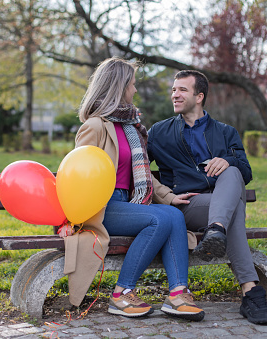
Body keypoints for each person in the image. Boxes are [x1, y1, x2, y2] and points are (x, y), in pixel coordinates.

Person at [72, 57, 204, 321]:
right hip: (102, 207)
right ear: (119, 88)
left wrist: (169, 197)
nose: (135, 90)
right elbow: (77, 175)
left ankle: (178, 294)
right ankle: (121, 294)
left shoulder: (131, 128)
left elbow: (140, 173)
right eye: (132, 85)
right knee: (158, 219)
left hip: (127, 204)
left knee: (174, 214)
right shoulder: (95, 127)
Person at [147, 70, 267, 325]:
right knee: (234, 210)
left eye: (182, 90)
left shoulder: (226, 132)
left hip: (220, 205)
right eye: (173, 89)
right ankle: (251, 294)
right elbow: (138, 170)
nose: (175, 94)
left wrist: (226, 160)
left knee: (233, 172)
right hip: (189, 205)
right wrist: (167, 196)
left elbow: (246, 172)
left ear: (199, 96)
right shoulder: (160, 133)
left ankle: (216, 230)